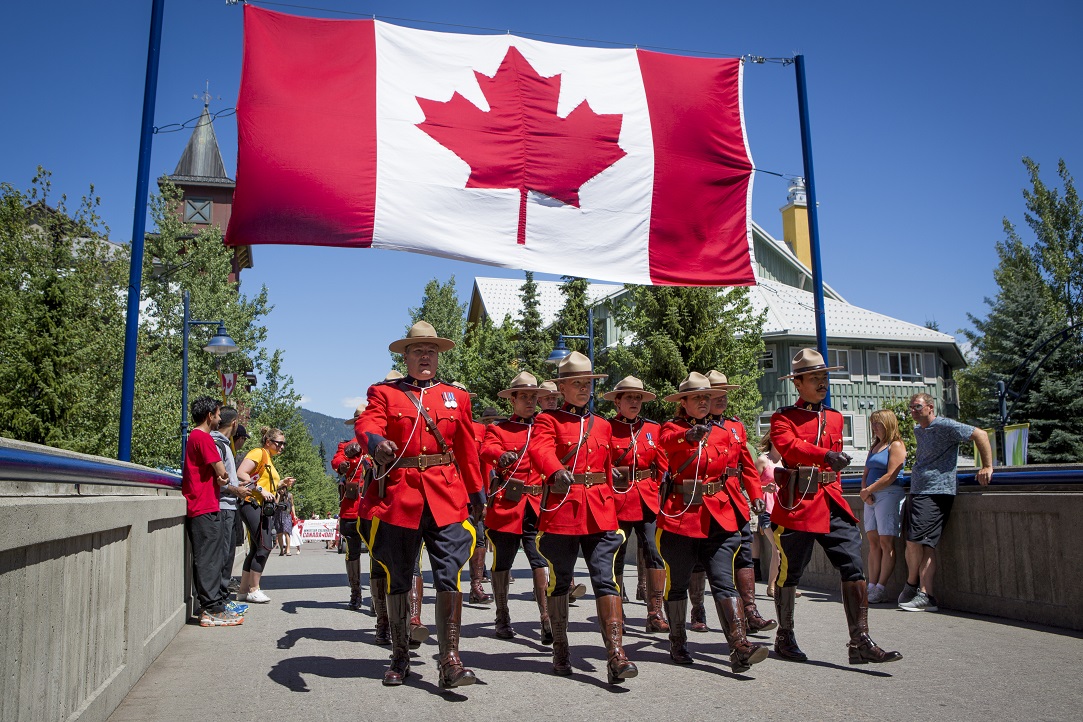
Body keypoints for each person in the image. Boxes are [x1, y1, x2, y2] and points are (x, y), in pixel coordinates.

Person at [354, 321, 485, 688]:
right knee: (399, 576)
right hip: (402, 497)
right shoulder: (385, 393)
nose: (425, 356)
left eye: (431, 351)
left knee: (449, 575)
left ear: (438, 356)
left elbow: (467, 450)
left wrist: (477, 494)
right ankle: (400, 656)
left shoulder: (456, 397)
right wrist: (376, 443)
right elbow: (367, 423)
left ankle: (450, 660)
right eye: (417, 351)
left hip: (447, 497)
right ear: (406, 356)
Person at [770, 349, 901, 665]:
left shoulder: (835, 417)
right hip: (798, 503)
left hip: (830, 500)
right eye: (814, 378)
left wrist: (833, 471)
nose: (822, 383)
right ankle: (784, 637)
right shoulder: (783, 417)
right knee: (791, 572)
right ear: (797, 383)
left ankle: (860, 641)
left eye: (824, 377)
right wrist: (825, 456)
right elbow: (790, 447)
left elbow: (836, 462)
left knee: (853, 565)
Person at [533, 352, 637, 685]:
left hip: (600, 511)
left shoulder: (603, 424)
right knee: (561, 579)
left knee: (606, 580)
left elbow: (603, 464)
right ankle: (561, 649)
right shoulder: (548, 420)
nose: (583, 388)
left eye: (587, 383)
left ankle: (616, 654)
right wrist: (555, 470)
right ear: (562, 388)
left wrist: (613, 474)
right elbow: (540, 450)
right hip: (564, 508)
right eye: (576, 383)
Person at [656, 372, 768, 672]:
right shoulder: (672, 428)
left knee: (723, 580)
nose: (704, 401)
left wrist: (754, 495)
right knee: (678, 583)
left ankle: (740, 646)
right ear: (684, 402)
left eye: (707, 396)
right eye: (697, 397)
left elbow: (742, 466)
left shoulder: (723, 432)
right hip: (682, 517)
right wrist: (687, 437)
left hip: (719, 517)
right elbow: (665, 442)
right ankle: (678, 641)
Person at [899, 393, 993, 612]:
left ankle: (922, 592)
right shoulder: (919, 429)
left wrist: (987, 466)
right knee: (918, 543)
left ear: (930, 407)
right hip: (918, 491)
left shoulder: (945, 425)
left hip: (936, 492)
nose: (913, 411)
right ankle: (918, 590)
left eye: (917, 407)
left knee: (921, 542)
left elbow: (980, 434)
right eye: (911, 407)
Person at [480, 371, 553, 642]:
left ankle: (546, 618)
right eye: (524, 396)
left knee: (539, 560)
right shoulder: (499, 429)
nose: (530, 401)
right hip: (508, 506)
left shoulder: (545, 427)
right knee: (503, 561)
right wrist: (500, 455)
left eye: (533, 396)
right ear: (512, 399)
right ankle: (502, 616)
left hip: (537, 505)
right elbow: (486, 449)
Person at [705, 370, 776, 636]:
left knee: (745, 553)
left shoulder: (735, 426)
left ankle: (750, 612)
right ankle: (701, 612)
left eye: (725, 393)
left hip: (736, 499)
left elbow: (747, 465)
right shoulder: (697, 428)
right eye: (716, 394)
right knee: (710, 562)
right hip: (710, 502)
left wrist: (756, 495)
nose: (722, 398)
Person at [603, 376, 669, 634]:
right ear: (617, 402)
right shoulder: (607, 428)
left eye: (638, 398)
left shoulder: (652, 428)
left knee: (654, 550)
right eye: (629, 397)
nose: (634, 402)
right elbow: (599, 460)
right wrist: (609, 472)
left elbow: (662, 465)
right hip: (618, 499)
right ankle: (617, 612)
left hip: (647, 499)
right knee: (617, 554)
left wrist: (660, 491)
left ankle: (655, 613)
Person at [182, 396, 242, 627]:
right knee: (210, 560)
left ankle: (212, 606)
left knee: (209, 558)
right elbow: (222, 472)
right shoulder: (204, 438)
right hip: (205, 506)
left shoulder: (193, 437)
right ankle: (211, 609)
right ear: (209, 416)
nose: (219, 418)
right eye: (217, 414)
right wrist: (222, 477)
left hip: (200, 505)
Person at [236, 426, 294, 604]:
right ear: (268, 442)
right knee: (265, 546)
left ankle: (243, 591)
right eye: (279, 443)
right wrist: (261, 490)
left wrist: (280, 483)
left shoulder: (268, 458)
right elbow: (241, 474)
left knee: (256, 548)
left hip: (260, 506)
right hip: (252, 504)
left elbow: (263, 482)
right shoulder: (258, 453)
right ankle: (254, 589)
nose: (282, 447)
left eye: (284, 444)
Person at [860, 409, 908, 604]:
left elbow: (891, 475)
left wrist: (869, 489)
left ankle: (881, 587)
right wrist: (865, 492)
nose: (874, 427)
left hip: (889, 494)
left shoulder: (896, 445)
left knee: (886, 541)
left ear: (887, 424)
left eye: (878, 423)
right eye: (872, 423)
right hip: (870, 497)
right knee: (873, 542)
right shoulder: (875, 446)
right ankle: (871, 585)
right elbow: (866, 472)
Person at [210, 405, 249, 617]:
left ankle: (224, 598)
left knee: (228, 554)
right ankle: (222, 600)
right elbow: (218, 480)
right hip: (223, 505)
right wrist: (236, 490)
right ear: (234, 423)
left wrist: (236, 486)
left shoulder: (223, 444)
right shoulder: (218, 444)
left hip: (228, 505)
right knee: (224, 555)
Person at [334, 407, 368, 611]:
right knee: (352, 551)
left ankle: (379, 598)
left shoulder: (378, 444)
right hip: (352, 506)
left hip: (374, 505)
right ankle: (355, 592)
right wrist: (343, 465)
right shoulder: (346, 445)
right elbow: (337, 460)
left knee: (378, 553)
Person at [754, 436, 784, 599]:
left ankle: (781, 585)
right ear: (772, 440)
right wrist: (765, 487)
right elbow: (750, 484)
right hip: (767, 510)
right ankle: (773, 586)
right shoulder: (762, 460)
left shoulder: (786, 461)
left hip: (783, 509)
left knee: (782, 549)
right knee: (777, 547)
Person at [275, 479, 296, 556]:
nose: (282, 490)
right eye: (280, 489)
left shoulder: (289, 495)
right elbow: (275, 505)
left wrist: (294, 515)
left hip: (287, 515)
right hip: (278, 515)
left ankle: (288, 550)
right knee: (279, 533)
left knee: (287, 532)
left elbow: (292, 505)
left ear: (285, 488)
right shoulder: (276, 495)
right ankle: (281, 550)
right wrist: (278, 496)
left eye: (283, 488)